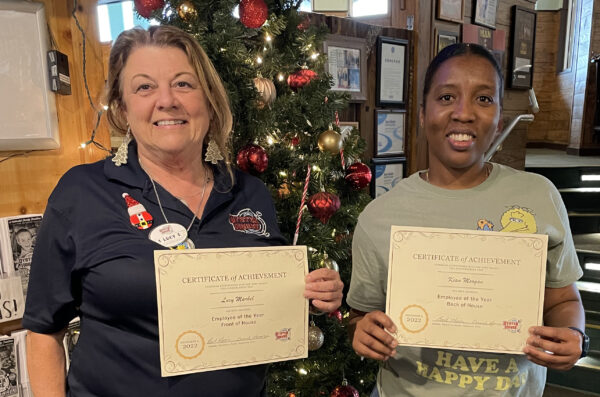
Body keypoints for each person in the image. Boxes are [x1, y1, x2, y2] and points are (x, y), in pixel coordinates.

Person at [23, 25, 343, 397]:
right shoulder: (82, 192)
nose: (167, 100)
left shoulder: (250, 194)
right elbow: (44, 330)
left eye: (184, 84)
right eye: (144, 87)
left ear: (208, 100)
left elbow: (273, 299)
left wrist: (318, 295)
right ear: (123, 107)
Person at [347, 43, 586, 397]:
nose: (464, 113)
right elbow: (360, 316)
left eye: (484, 99)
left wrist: (575, 335)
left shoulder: (538, 196)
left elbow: (563, 301)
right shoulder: (380, 217)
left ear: (500, 119)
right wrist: (361, 330)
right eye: (446, 97)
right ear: (423, 113)